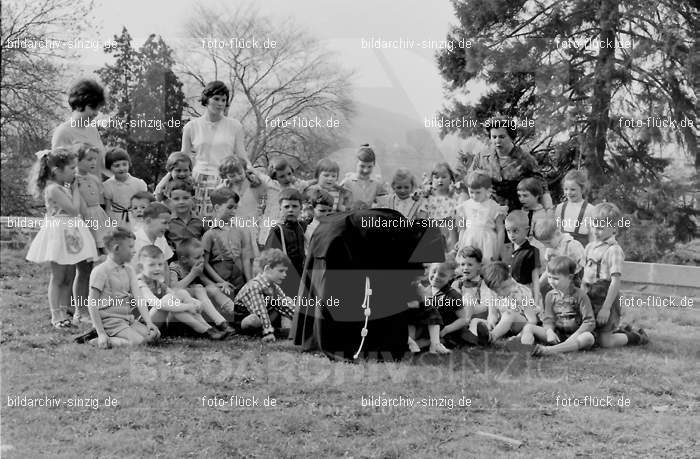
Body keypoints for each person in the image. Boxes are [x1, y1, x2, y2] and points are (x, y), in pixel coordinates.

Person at [26, 148, 98, 329]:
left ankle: (65, 311)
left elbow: (77, 211)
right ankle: (55, 315)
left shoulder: (62, 187)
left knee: (68, 275)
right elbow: (73, 210)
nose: (75, 171)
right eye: (71, 168)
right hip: (59, 233)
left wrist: (73, 189)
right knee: (58, 277)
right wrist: (75, 189)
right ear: (57, 171)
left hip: (70, 232)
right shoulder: (53, 189)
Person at [583, 203, 648, 347]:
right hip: (589, 296)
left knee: (605, 342)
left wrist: (606, 308)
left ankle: (635, 336)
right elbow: (584, 276)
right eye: (593, 226)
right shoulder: (589, 247)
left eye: (600, 228)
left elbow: (615, 282)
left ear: (613, 228)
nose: (595, 231)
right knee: (587, 332)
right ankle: (617, 329)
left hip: (606, 298)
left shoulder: (614, 250)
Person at [181, 81, 250, 217]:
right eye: (216, 99)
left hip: (225, 181)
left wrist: (253, 174)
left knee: (222, 224)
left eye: (224, 100)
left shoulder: (235, 126)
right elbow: (183, 158)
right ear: (206, 100)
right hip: (198, 181)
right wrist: (168, 178)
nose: (220, 103)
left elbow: (242, 156)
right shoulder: (191, 126)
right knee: (200, 223)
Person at [136, 245, 227, 340]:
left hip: (160, 322)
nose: (157, 268)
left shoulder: (156, 282)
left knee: (180, 293)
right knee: (168, 300)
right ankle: (202, 329)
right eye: (152, 265)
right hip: (145, 325)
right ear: (141, 267)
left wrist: (194, 302)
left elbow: (174, 294)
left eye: (160, 264)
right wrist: (188, 306)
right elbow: (159, 304)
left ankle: (208, 328)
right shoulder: (139, 284)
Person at [87, 228, 160, 347]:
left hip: (127, 319)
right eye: (130, 247)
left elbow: (139, 297)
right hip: (110, 322)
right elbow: (92, 303)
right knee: (139, 342)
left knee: (155, 335)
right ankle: (100, 339)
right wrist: (101, 333)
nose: (134, 251)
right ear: (117, 249)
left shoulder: (129, 270)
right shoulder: (100, 271)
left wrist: (149, 322)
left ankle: (118, 337)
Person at [468, 117, 552, 213]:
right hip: (488, 211)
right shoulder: (482, 157)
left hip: (517, 214)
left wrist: (549, 211)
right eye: (494, 137)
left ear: (511, 137)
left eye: (502, 137)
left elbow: (542, 187)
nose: (497, 141)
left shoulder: (525, 158)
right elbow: (469, 180)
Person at [520, 256, 595, 355]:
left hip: (576, 335)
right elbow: (548, 319)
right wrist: (550, 331)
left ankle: (548, 350)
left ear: (570, 278)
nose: (551, 281)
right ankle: (526, 348)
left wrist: (576, 335)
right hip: (558, 334)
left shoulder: (581, 295)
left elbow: (589, 322)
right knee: (529, 328)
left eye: (555, 278)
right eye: (549, 277)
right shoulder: (550, 296)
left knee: (588, 337)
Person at [168, 238, 236, 335]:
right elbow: (174, 289)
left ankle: (233, 310)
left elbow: (206, 282)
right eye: (197, 257)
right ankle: (221, 323)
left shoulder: (195, 267)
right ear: (184, 259)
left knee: (210, 289)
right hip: (182, 302)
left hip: (197, 299)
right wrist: (192, 274)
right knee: (199, 287)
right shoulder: (174, 268)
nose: (202, 260)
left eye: (203, 256)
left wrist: (219, 285)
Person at [234, 249, 296, 342]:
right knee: (254, 319)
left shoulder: (274, 286)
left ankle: (290, 331)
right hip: (245, 318)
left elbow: (287, 307)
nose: (285, 275)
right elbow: (260, 311)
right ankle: (268, 332)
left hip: (264, 317)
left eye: (285, 271)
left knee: (287, 300)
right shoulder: (255, 285)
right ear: (267, 269)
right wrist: (268, 332)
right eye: (281, 271)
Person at [202, 188, 253, 299]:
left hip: (239, 281)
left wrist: (250, 282)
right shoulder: (209, 234)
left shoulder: (240, 231)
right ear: (217, 207)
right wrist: (221, 282)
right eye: (229, 207)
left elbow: (245, 258)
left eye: (235, 208)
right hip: (221, 282)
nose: (234, 211)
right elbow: (205, 263)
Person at [51, 79, 108, 179]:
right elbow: (58, 173)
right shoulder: (63, 132)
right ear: (79, 104)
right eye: (92, 107)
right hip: (75, 192)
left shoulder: (93, 130)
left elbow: (102, 166)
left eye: (98, 108)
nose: (96, 113)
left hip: (96, 191)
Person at [478, 262, 538, 343]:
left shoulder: (522, 293)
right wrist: (491, 322)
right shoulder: (492, 292)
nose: (501, 293)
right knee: (479, 321)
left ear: (509, 277)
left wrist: (521, 335)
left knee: (509, 313)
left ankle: (492, 337)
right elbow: (492, 314)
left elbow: (532, 320)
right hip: (505, 324)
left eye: (504, 287)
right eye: (496, 290)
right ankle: (487, 334)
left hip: (523, 324)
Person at [264, 188, 307, 297]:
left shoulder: (302, 226)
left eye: (295, 206)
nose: (291, 210)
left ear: (301, 208)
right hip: (283, 277)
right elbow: (268, 257)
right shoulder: (277, 230)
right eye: (286, 207)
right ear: (280, 208)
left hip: (300, 275)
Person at [455, 171, 506, 262]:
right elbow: (462, 228)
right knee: (469, 264)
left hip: (487, 241)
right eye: (471, 192)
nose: (474, 196)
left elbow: (500, 229)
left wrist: (498, 250)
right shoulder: (465, 206)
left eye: (478, 192)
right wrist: (461, 242)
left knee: (485, 265)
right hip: (469, 240)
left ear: (487, 190)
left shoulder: (493, 206)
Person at [533, 217, 585, 299]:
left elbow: (582, 267)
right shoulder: (550, 249)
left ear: (557, 233)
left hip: (574, 281)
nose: (547, 246)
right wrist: (538, 285)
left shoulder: (572, 245)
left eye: (548, 243)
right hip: (557, 282)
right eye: (544, 244)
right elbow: (548, 270)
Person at [407, 262, 452, 354]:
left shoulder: (417, 285)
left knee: (431, 310)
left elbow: (424, 301)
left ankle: (435, 344)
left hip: (413, 314)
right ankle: (410, 342)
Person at [452, 246, 491, 345]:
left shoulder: (482, 283)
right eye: (462, 264)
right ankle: (464, 332)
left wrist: (471, 306)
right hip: (461, 313)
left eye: (470, 264)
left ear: (479, 266)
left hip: (477, 313)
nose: (465, 268)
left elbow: (486, 306)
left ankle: (468, 329)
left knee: (468, 298)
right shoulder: (458, 283)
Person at [103, 147, 147, 228]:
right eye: (117, 166)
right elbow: (108, 209)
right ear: (109, 168)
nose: (121, 168)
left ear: (129, 164)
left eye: (124, 164)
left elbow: (145, 204)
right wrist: (115, 225)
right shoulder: (107, 185)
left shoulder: (138, 183)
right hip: (117, 219)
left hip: (136, 218)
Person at [505, 210, 542, 307]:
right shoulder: (507, 248)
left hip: (525, 294)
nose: (511, 235)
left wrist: (536, 302)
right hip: (508, 294)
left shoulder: (532, 251)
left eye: (515, 231)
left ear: (526, 230)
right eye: (508, 231)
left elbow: (535, 279)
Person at [423, 162, 459, 250]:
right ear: (431, 180)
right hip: (433, 232)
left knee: (451, 255)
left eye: (444, 177)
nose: (440, 180)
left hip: (450, 233)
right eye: (436, 177)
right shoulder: (428, 198)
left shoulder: (455, 197)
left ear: (451, 179)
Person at [555, 169, 595, 246]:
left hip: (581, 253)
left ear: (582, 189)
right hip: (562, 253)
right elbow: (556, 233)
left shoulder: (590, 209)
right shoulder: (560, 208)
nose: (568, 193)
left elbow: (592, 237)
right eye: (566, 189)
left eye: (573, 189)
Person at [164, 180, 204, 251]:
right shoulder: (166, 222)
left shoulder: (200, 221)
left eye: (185, 198)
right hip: (175, 258)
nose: (181, 202)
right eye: (176, 199)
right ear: (170, 201)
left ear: (193, 199)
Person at [303, 188, 334, 256]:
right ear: (312, 209)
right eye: (322, 211)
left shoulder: (333, 227)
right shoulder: (308, 229)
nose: (326, 214)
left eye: (330, 211)